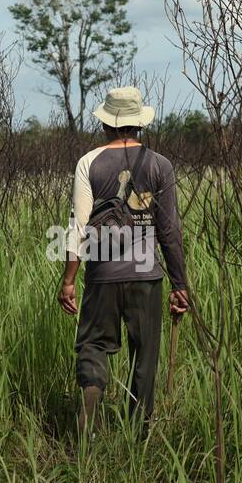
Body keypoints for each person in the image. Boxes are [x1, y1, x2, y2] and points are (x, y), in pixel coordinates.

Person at [57, 86, 190, 439]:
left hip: (101, 272)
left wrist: (69, 279)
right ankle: (138, 436)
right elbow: (170, 231)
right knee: (144, 356)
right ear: (139, 125)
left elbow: (79, 227)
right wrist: (180, 285)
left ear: (107, 125)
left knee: (92, 345)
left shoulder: (89, 162)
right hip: (147, 274)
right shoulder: (160, 165)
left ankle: (92, 389)